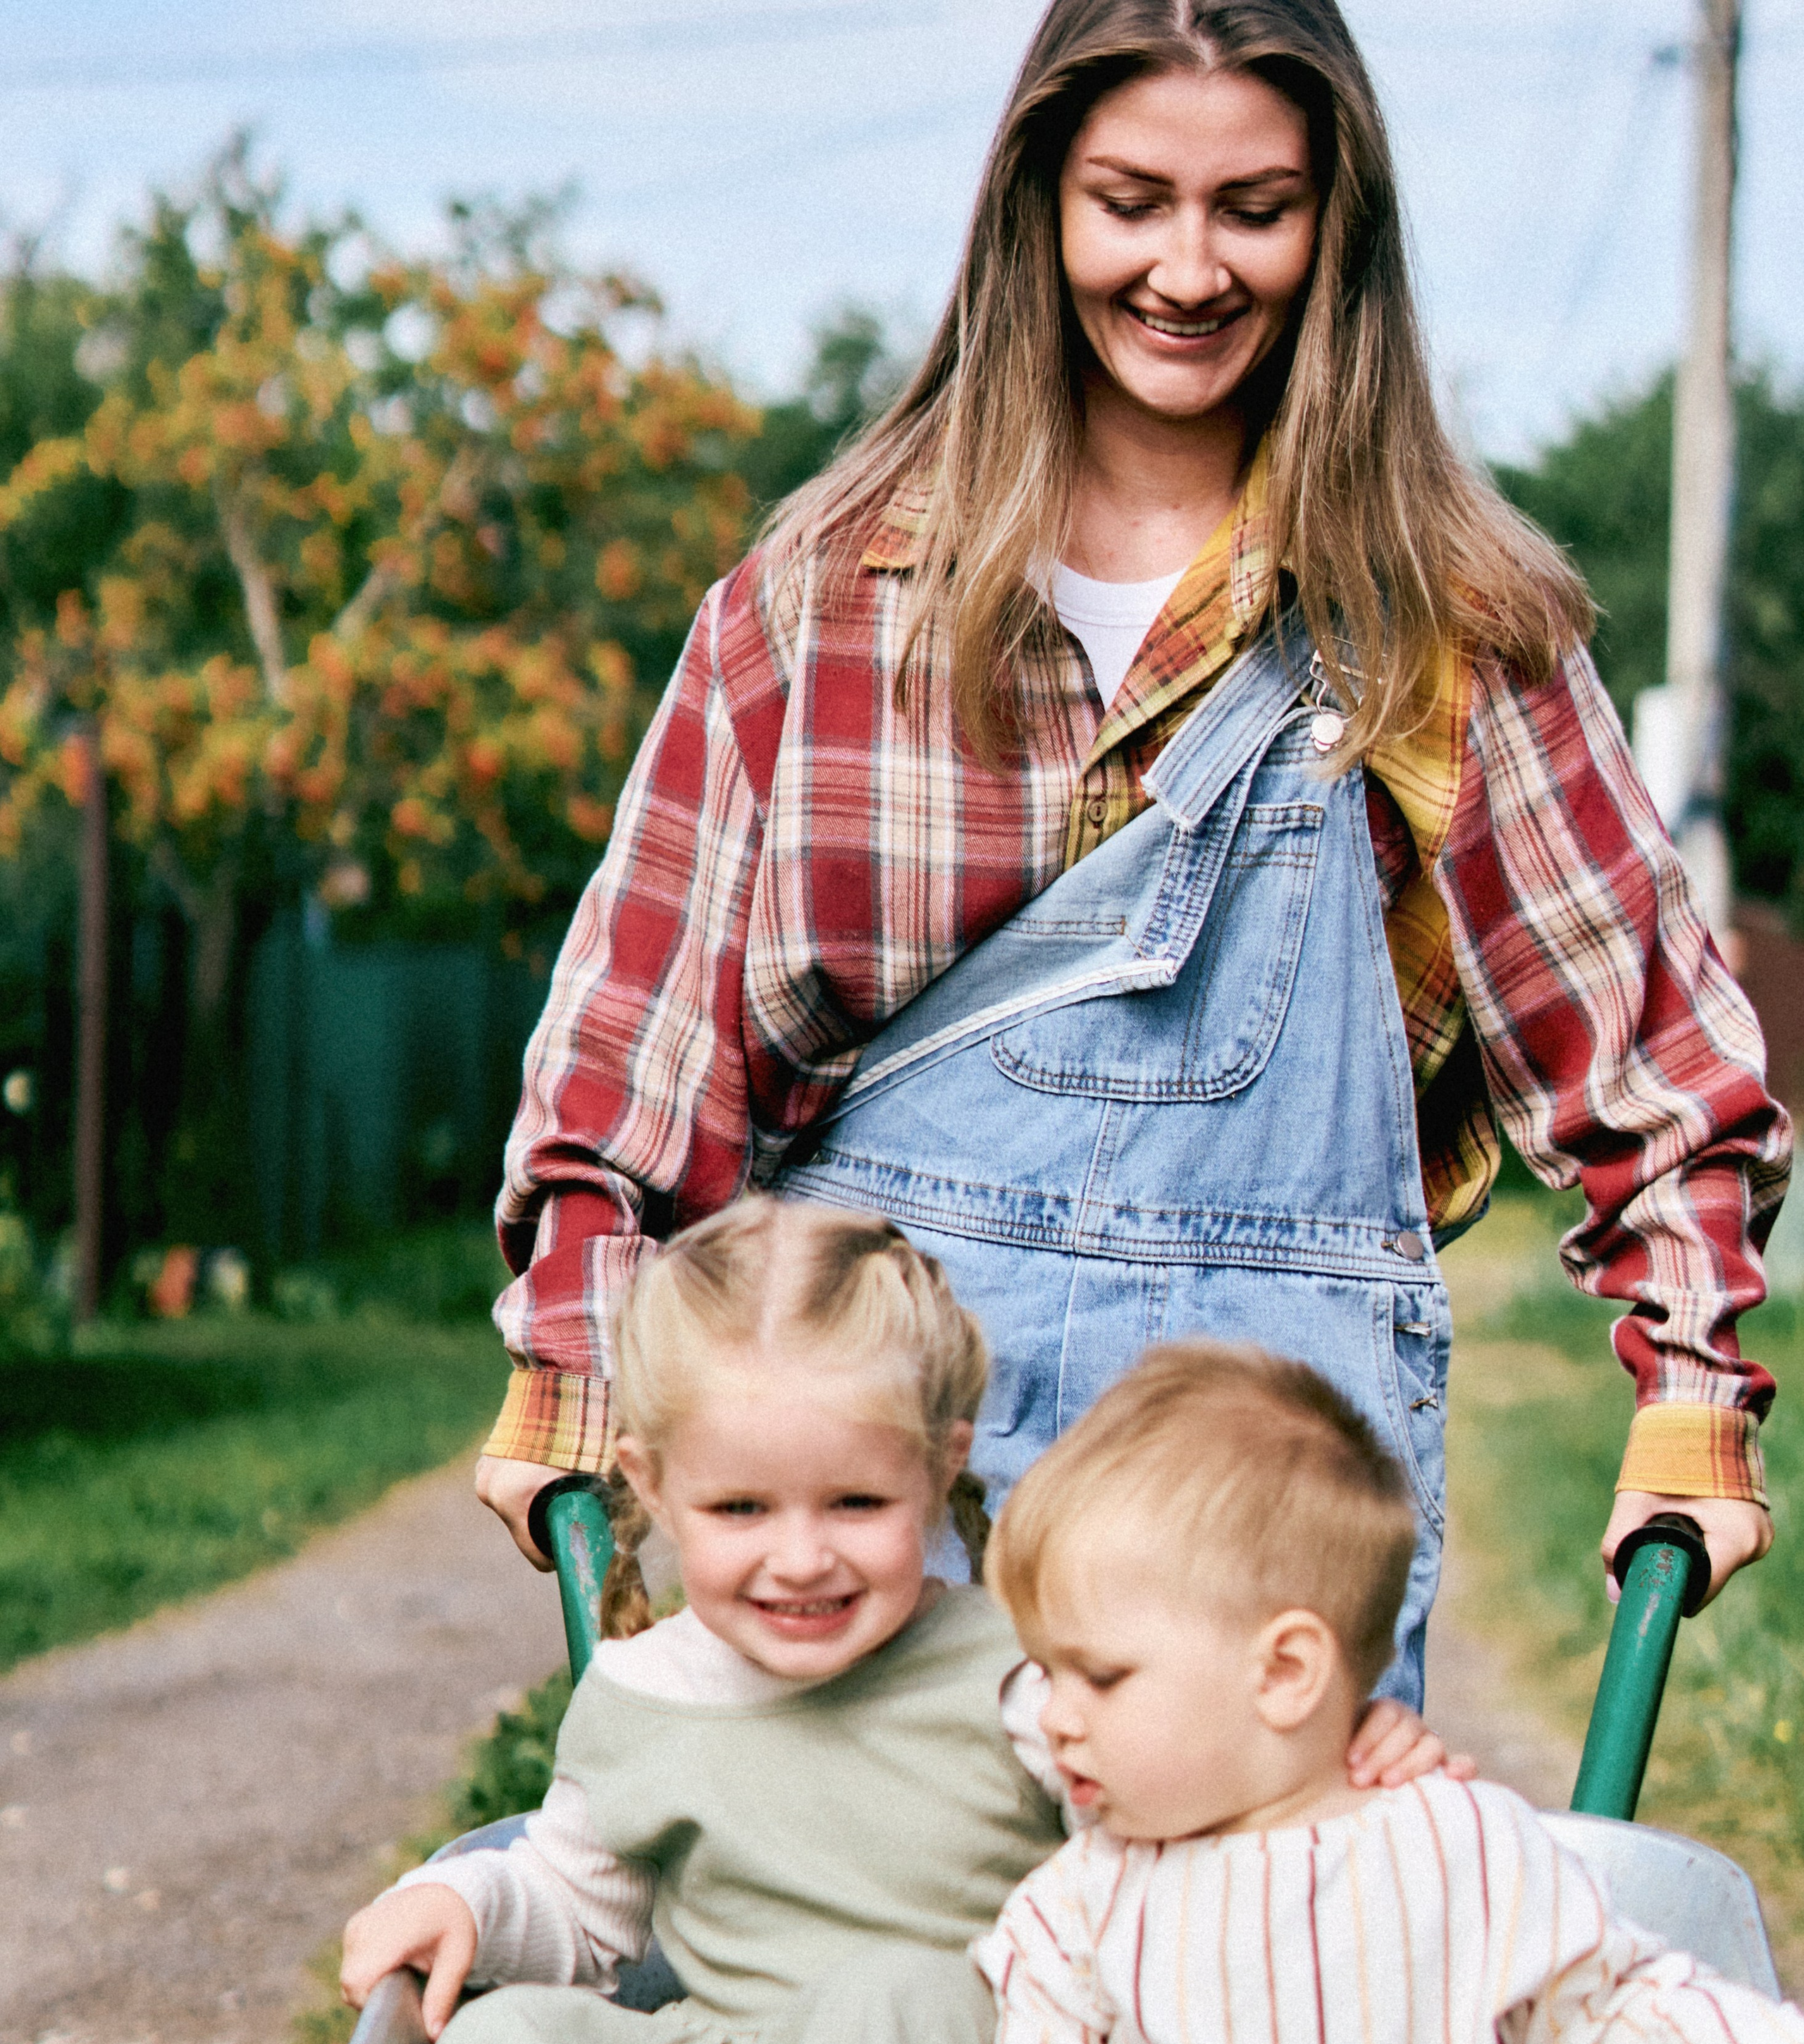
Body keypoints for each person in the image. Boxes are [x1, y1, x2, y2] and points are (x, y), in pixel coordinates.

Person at [473, 0, 1787, 1704]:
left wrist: (1690, 1390)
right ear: (1035, 206)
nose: (1188, 267)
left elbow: (1655, 1071)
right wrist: (573, 1374)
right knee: (860, 1964)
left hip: (1258, 1536)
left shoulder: (1440, 633)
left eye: (1254, 207)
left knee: (1253, 1968)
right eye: (1130, 201)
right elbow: (629, 1075)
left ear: (1337, 227)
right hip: (873, 1494)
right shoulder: (823, 609)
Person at [339, 1200, 1470, 2044]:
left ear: (943, 1466)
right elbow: (583, 1907)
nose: (801, 1559)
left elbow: (1185, 1804)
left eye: (859, 1502)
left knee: (903, 1996)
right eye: (742, 1511)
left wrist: (1331, 1759)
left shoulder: (1019, 1676)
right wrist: (479, 1907)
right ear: (654, 1484)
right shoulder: (643, 1695)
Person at [898, 1341, 1804, 2044]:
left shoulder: (1451, 1843)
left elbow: (1599, 2006)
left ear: (1285, 1673)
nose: (1051, 1719)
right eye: (1040, 1672)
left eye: (1099, 1678)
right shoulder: (1072, 1912)